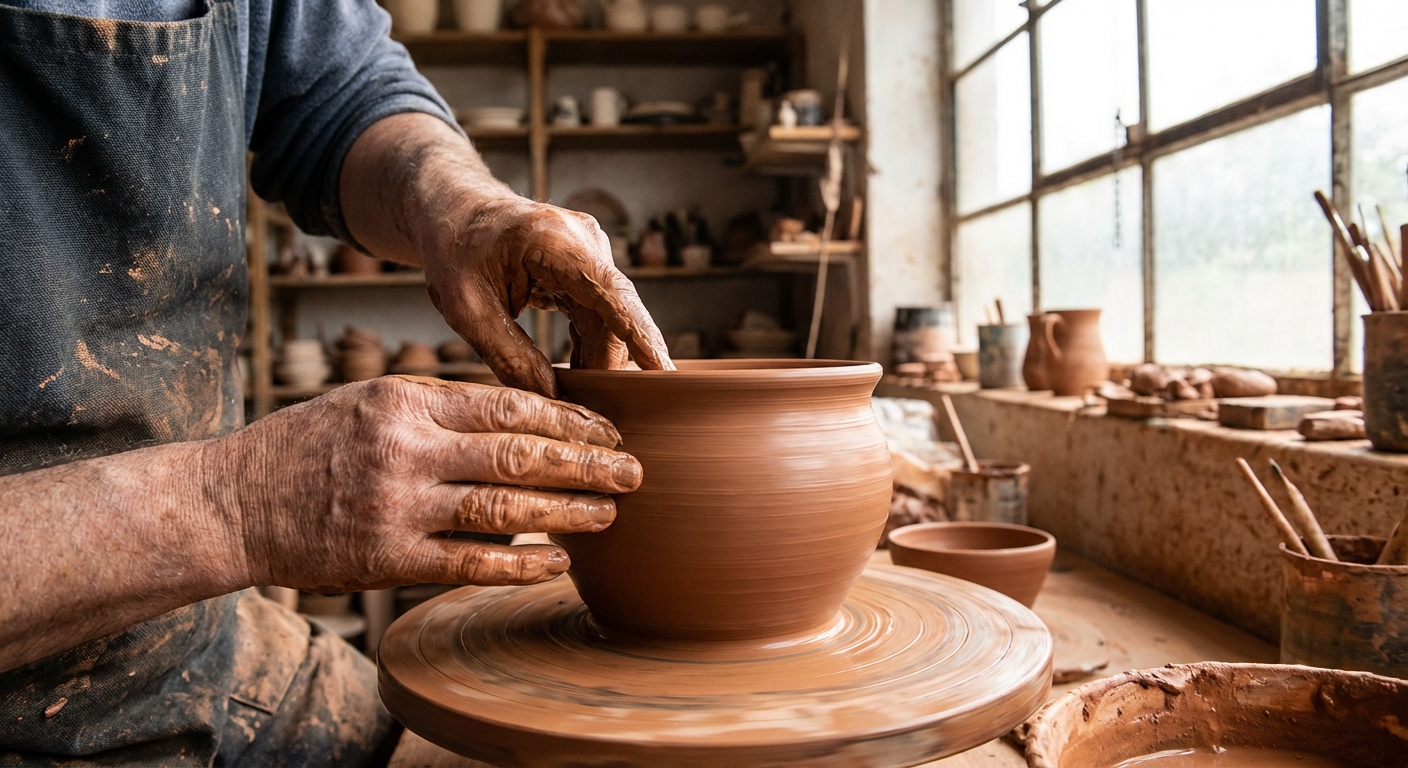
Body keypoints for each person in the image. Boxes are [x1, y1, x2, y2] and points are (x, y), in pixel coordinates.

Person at [0, 0, 674, 763]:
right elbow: (230, 509)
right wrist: (236, 506)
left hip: (192, 639)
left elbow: (343, 94)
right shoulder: (230, 509)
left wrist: (463, 206)